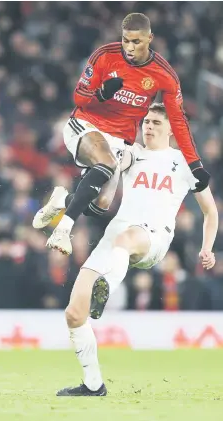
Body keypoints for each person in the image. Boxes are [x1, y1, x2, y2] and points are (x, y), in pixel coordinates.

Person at [55, 103, 218, 396]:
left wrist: (208, 248)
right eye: (146, 121)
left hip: (153, 238)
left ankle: (106, 289)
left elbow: (210, 212)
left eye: (156, 122)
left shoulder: (185, 163)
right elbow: (110, 162)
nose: (149, 127)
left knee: (127, 238)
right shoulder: (132, 153)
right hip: (116, 236)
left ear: (171, 128)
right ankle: (93, 385)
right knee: (74, 313)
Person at [32, 13, 210, 256]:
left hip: (119, 139)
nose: (129, 47)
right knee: (105, 163)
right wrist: (101, 95)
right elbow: (79, 99)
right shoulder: (105, 55)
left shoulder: (164, 75)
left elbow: (178, 121)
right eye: (126, 40)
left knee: (101, 204)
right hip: (86, 124)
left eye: (136, 42)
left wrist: (195, 163)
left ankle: (60, 201)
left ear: (150, 39)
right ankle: (63, 229)